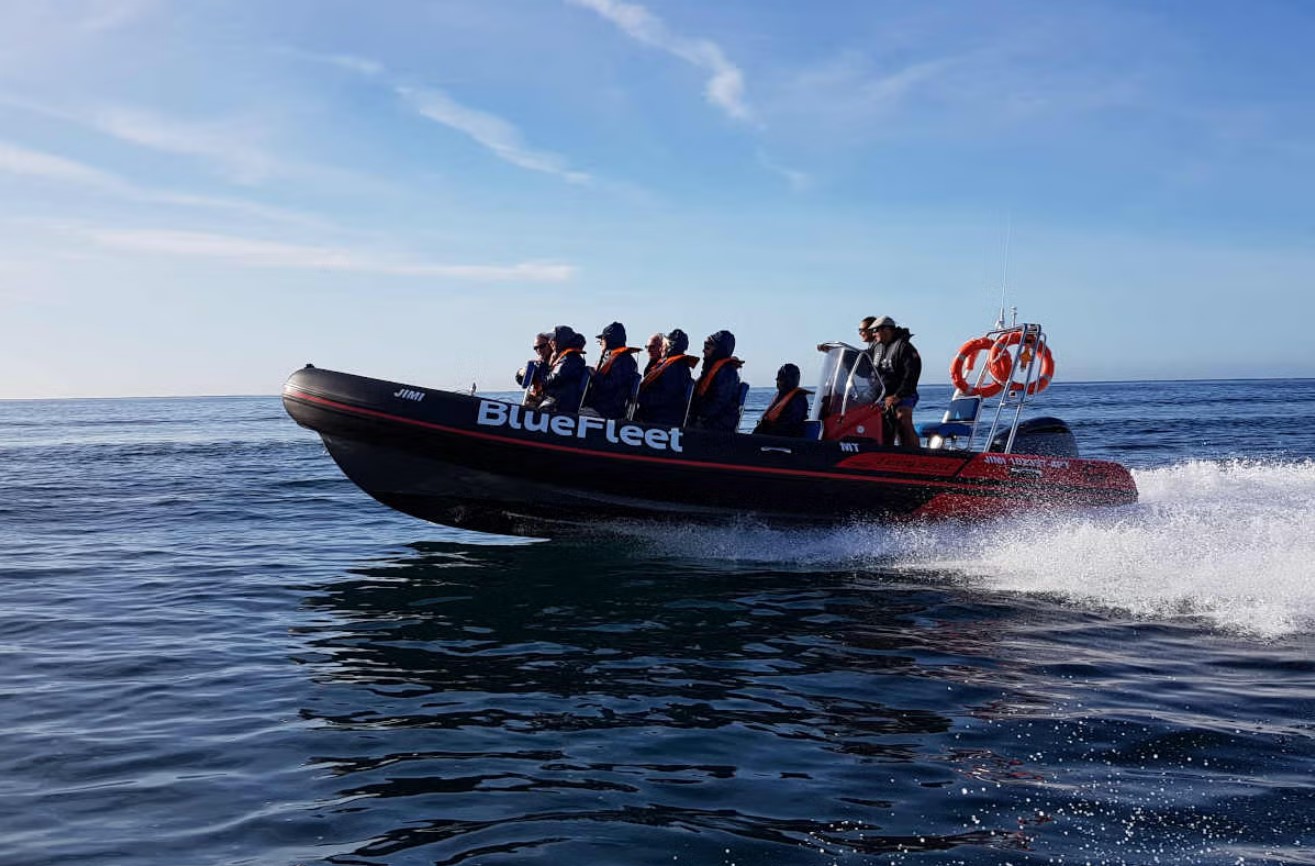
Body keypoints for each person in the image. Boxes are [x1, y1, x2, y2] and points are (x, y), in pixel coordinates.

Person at [870, 316, 922, 448]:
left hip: (904, 394)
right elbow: (864, 365)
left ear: (887, 329)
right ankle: (885, 452)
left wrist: (898, 395)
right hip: (882, 396)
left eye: (876, 330)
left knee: (902, 417)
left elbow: (912, 375)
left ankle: (915, 454)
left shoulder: (904, 347)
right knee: (880, 424)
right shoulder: (876, 348)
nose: (874, 334)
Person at [634, 328, 697, 426]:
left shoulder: (675, 367)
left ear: (669, 346)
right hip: (657, 418)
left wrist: (641, 398)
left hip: (662, 421)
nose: (660, 349)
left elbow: (669, 397)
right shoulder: (670, 365)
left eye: (662, 345)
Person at [688, 330, 744, 432]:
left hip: (717, 425)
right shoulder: (710, 369)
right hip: (707, 421)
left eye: (707, 347)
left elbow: (718, 403)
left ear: (719, 349)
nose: (703, 350)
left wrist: (698, 414)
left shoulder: (727, 372)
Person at [583, 321, 640, 419]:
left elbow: (612, 387)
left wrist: (594, 375)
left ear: (607, 340)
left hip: (607, 412)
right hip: (602, 408)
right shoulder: (617, 358)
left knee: (573, 414)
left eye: (601, 339)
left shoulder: (623, 360)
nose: (600, 343)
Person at [539, 325, 588, 413]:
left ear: (561, 339)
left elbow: (550, 381)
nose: (550, 342)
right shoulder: (565, 357)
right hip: (557, 404)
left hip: (561, 408)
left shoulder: (570, 359)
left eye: (553, 338)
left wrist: (542, 367)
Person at [753, 363, 810, 437]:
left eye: (781, 380)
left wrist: (768, 429)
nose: (778, 383)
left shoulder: (798, 400)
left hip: (786, 440)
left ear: (789, 380)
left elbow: (790, 425)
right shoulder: (780, 397)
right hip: (771, 437)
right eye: (778, 380)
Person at [515, 332, 553, 408]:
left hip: (550, 401)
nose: (539, 350)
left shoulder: (559, 362)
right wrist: (521, 372)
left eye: (542, 346)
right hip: (537, 400)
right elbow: (521, 381)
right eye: (536, 348)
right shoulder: (537, 364)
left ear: (550, 345)